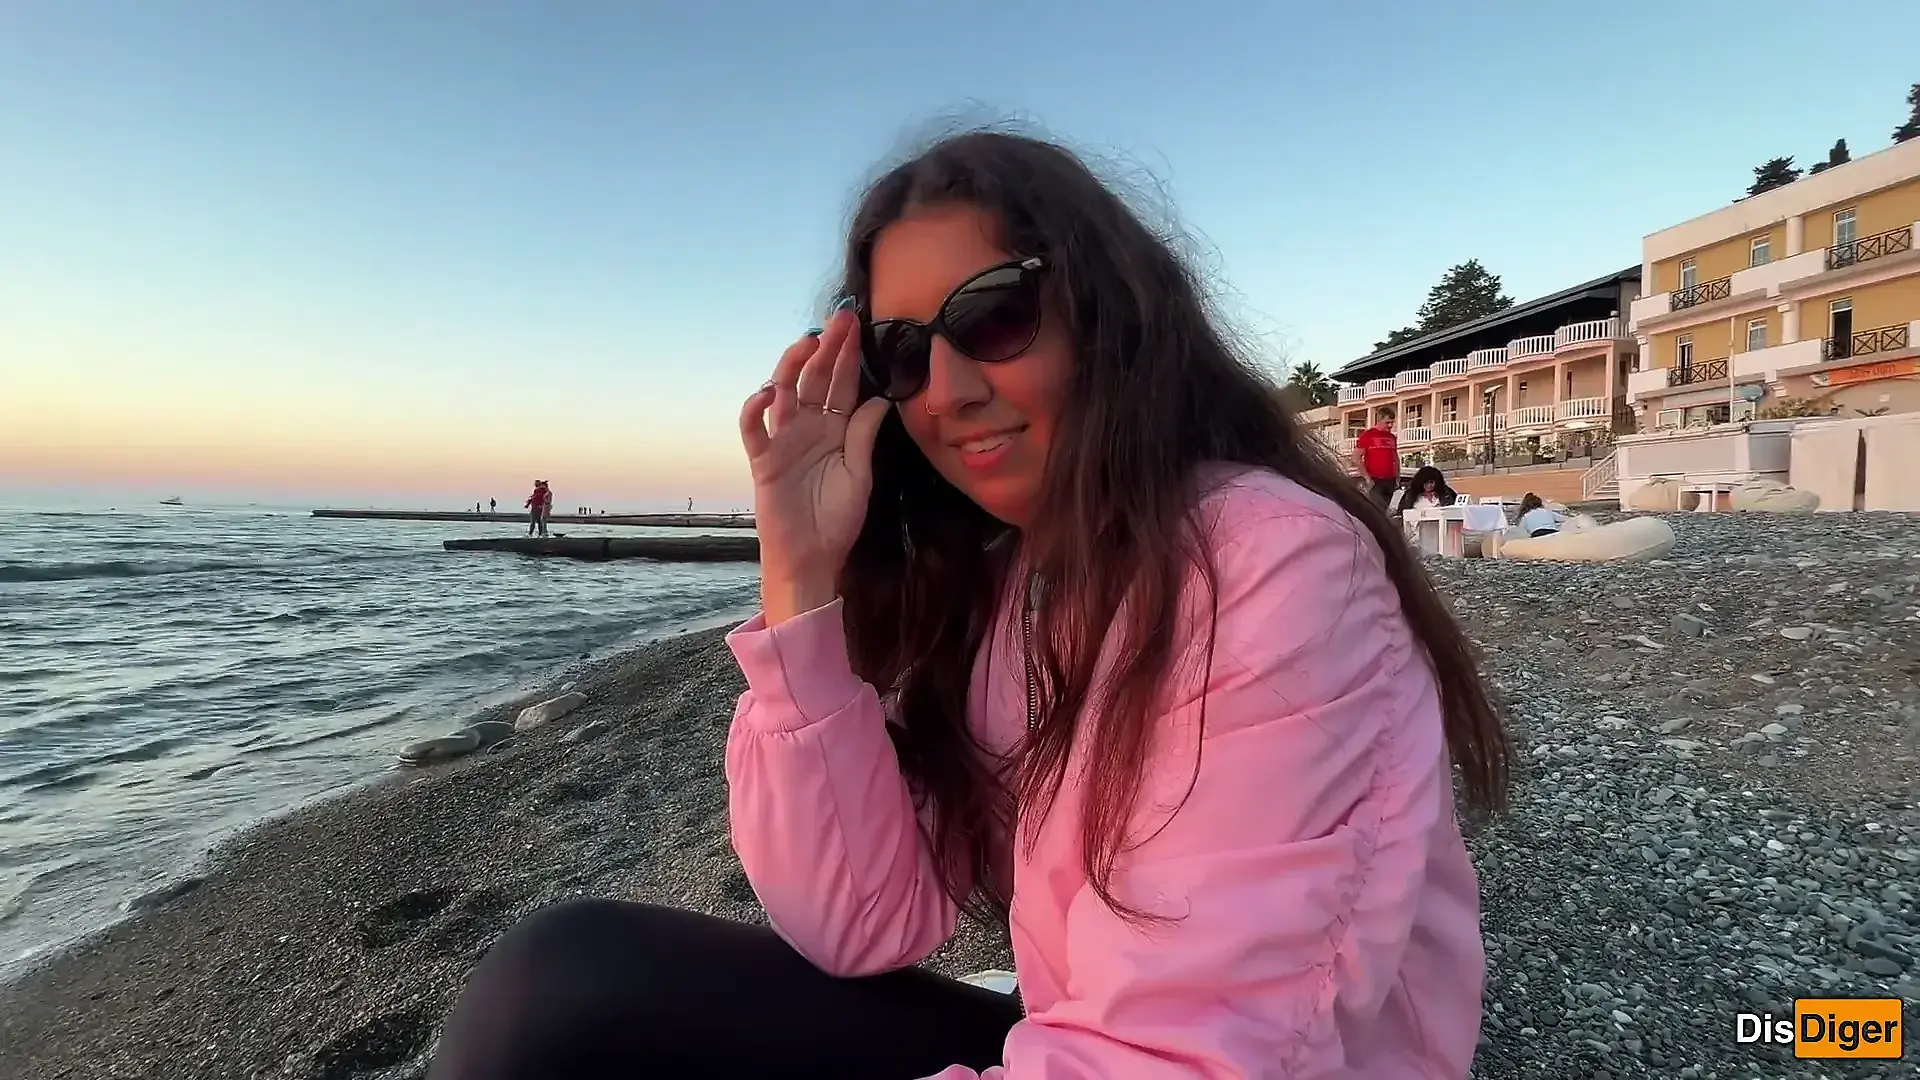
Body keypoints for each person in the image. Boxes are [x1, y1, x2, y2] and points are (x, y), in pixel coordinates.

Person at [429, 130, 1509, 1080]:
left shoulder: (1269, 565)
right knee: (564, 981)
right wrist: (798, 575)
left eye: (994, 315)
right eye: (903, 351)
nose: (947, 388)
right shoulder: (1008, 588)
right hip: (1096, 1035)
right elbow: (861, 919)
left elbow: (1199, 1056)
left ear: (1107, 312)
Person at [1353, 410, 1400, 508]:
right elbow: (1356, 458)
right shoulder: (1367, 435)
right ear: (1379, 420)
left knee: (1385, 510)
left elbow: (1395, 458)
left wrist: (1397, 477)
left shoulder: (1392, 437)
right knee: (1376, 509)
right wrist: (1367, 478)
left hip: (1390, 480)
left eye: (1392, 422)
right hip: (1375, 480)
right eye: (1387, 422)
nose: (1390, 425)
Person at [1395, 465, 1459, 516]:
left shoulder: (1446, 493)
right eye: (1426, 482)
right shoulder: (1409, 495)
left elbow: (1455, 511)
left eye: (1431, 482)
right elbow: (1401, 514)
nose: (1429, 485)